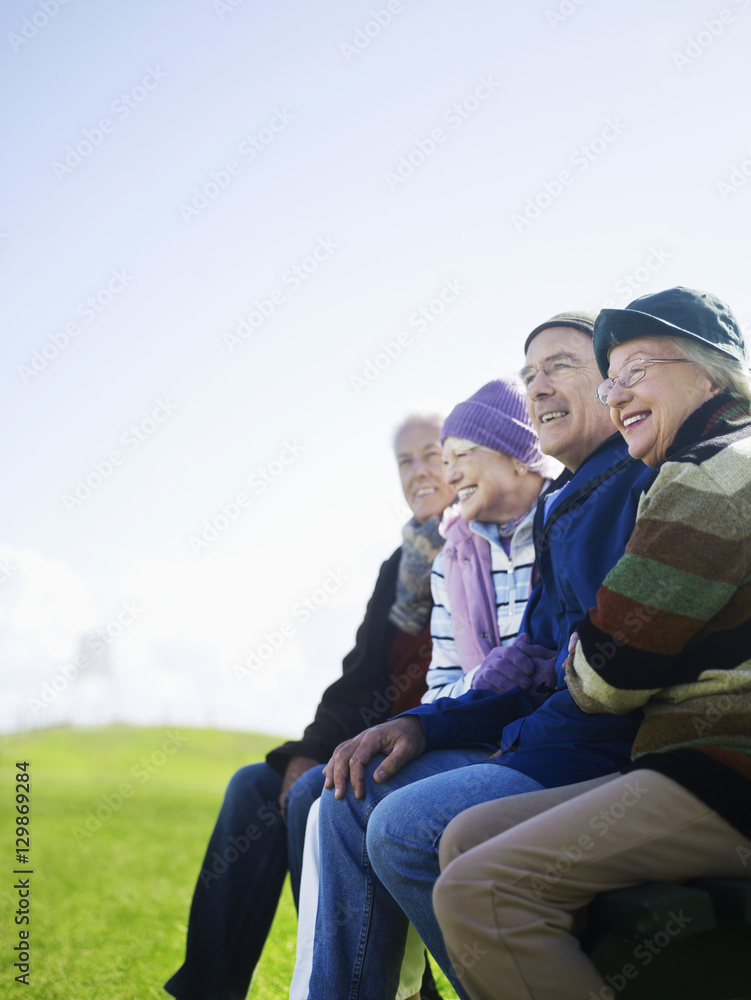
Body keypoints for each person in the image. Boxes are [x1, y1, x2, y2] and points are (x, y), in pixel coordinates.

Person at [307, 312, 656, 1000]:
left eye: (559, 365)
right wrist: (419, 725)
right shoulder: (565, 503)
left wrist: (511, 737)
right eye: (528, 375)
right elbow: (532, 660)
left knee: (404, 828)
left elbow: (605, 680)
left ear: (613, 384)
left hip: (603, 756)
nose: (539, 387)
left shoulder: (639, 485)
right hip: (550, 742)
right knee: (347, 789)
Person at [433, 286, 751, 1000]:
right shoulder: (692, 465)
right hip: (690, 761)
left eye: (635, 370)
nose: (616, 394)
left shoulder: (714, 471)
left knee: (480, 890)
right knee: (463, 838)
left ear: (708, 373)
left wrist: (585, 650)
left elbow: (611, 671)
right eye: (610, 378)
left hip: (727, 766)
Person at [165, 413, 456, 1000]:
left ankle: (373, 982)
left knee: (319, 793)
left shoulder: (475, 546)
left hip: (436, 742)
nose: (418, 471)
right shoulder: (398, 567)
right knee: (254, 786)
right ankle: (207, 991)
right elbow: (357, 682)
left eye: (431, 454)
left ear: (462, 455)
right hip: (372, 741)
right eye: (405, 461)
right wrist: (306, 750)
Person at [288, 377, 559, 999]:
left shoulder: (562, 525)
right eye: (446, 454)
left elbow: (548, 657)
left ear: (519, 455)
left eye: (463, 453)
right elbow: (442, 680)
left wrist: (456, 719)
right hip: (474, 729)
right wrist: (430, 727)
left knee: (386, 815)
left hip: (545, 739)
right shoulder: (452, 553)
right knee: (344, 788)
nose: (448, 469)